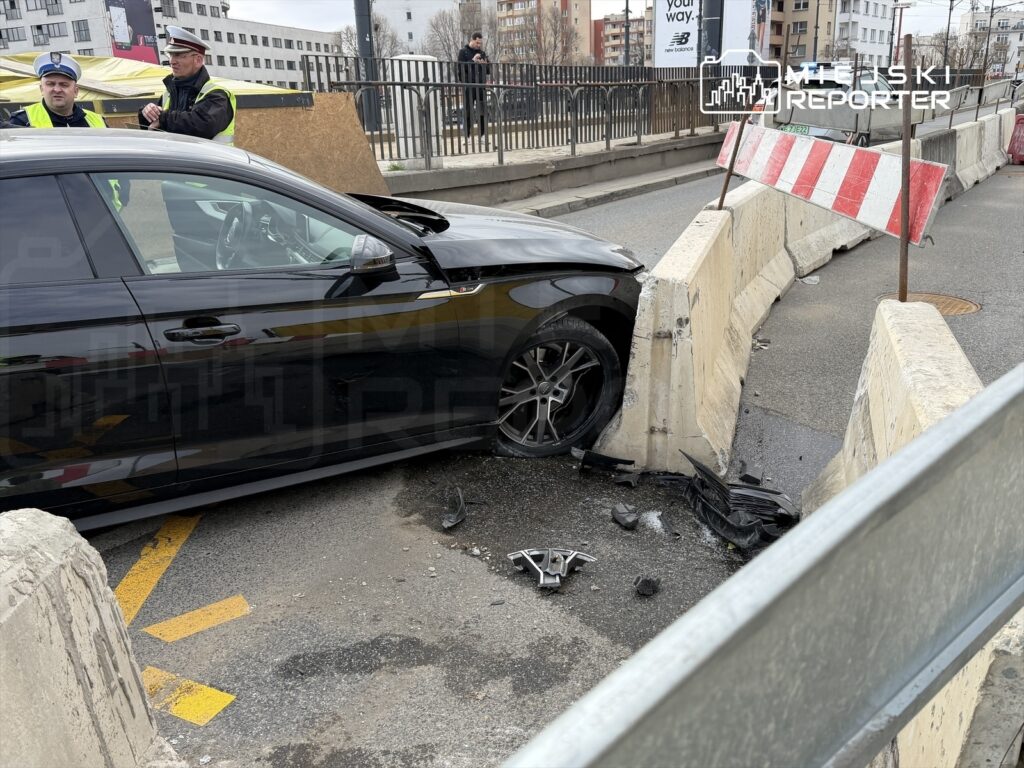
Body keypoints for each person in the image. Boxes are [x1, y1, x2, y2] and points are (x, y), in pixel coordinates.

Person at [139, 25, 236, 144]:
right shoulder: (169, 93)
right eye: (171, 55)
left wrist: (163, 118)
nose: (172, 61)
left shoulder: (217, 95)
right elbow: (154, 124)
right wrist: (147, 112)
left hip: (211, 156)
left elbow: (200, 125)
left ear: (198, 60)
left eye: (179, 55)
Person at [6, 53, 107, 129]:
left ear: (76, 91)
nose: (57, 90)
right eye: (50, 84)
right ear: (41, 89)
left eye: (64, 85)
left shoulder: (98, 121)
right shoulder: (22, 121)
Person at [457, 32, 490, 138]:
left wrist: (485, 65)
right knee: (467, 111)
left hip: (480, 86)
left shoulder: (482, 53)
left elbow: (488, 71)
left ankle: (482, 135)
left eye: (480, 43)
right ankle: (466, 136)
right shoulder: (463, 52)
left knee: (482, 111)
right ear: (472, 40)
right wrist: (472, 61)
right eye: (477, 43)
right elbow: (460, 69)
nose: (479, 45)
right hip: (469, 86)